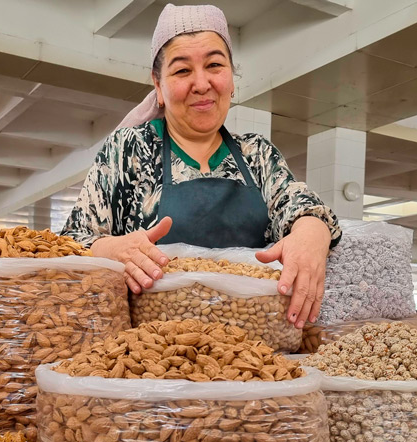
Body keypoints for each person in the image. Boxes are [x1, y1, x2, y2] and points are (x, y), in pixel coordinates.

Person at [61, 3, 341, 329]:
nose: (201, 83)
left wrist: (311, 233)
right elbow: (70, 242)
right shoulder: (129, 150)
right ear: (158, 85)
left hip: (252, 352)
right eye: (182, 70)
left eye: (214, 65)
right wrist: (110, 247)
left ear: (232, 78)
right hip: (151, 357)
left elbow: (303, 208)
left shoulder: (257, 154)